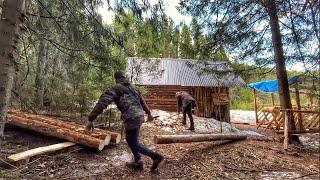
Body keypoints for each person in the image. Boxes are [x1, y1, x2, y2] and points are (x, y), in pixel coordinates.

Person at [85, 71, 163, 172]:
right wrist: (149, 113)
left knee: (133, 143)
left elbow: (103, 102)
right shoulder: (134, 88)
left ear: (116, 79)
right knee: (132, 140)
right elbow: (142, 102)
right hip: (139, 116)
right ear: (124, 77)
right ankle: (138, 161)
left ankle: (155, 157)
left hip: (131, 118)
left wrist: (91, 118)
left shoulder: (116, 88)